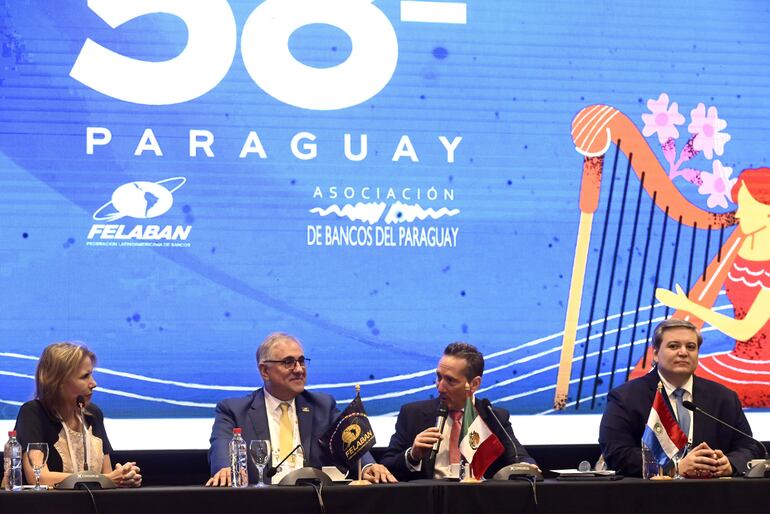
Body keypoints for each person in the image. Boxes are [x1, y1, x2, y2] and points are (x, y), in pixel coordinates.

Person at [206, 332, 396, 486]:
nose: (299, 369)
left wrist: (368, 466)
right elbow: (221, 451)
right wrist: (225, 469)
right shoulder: (234, 410)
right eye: (288, 362)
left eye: (301, 361)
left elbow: (350, 442)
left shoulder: (322, 405)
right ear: (265, 371)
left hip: (312, 501)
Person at [656, 167, 770, 407]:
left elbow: (744, 331)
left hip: (761, 367)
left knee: (682, 382)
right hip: (737, 358)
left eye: (746, 207)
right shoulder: (742, 246)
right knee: (664, 378)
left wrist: (688, 306)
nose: (737, 215)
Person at [599, 319, 761, 477]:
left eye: (691, 347)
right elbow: (616, 452)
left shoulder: (724, 397)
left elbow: (750, 446)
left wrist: (730, 464)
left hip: (713, 495)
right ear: (655, 354)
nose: (683, 352)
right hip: (650, 497)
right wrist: (673, 467)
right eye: (673, 346)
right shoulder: (626, 397)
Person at [380, 342, 537, 481]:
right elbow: (386, 467)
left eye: (450, 380)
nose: (440, 387)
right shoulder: (412, 414)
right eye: (438, 377)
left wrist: (527, 466)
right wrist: (412, 455)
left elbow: (519, 457)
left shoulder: (494, 417)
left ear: (474, 384)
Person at [14, 342, 141, 487]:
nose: (93, 383)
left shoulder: (93, 414)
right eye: (85, 376)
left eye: (91, 374)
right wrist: (107, 479)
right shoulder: (33, 412)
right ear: (58, 381)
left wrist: (123, 478)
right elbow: (39, 477)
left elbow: (108, 477)